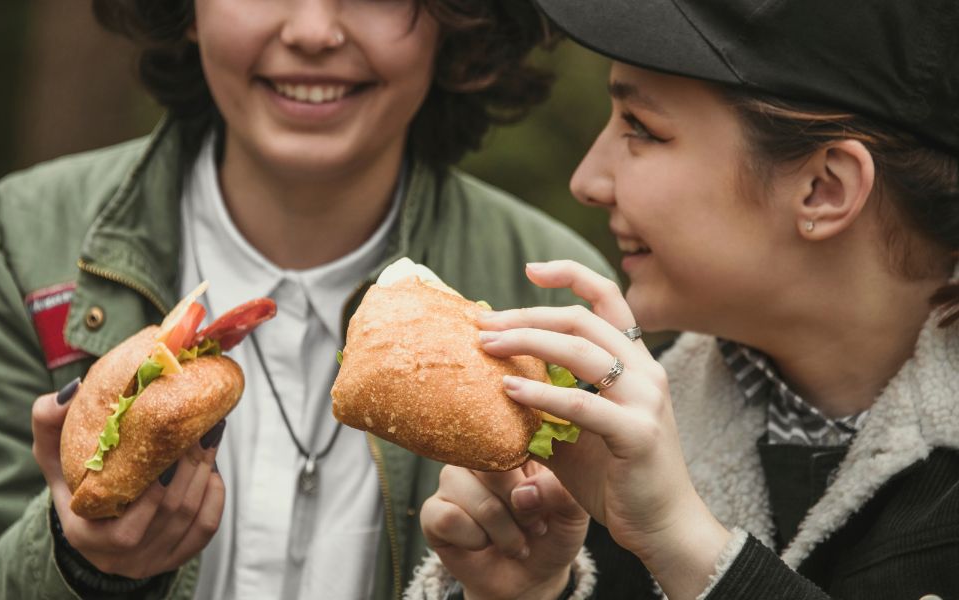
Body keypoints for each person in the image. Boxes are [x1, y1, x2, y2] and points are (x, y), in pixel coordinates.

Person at [0, 1, 616, 599]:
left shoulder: (555, 298)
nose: (311, 30)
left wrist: (533, 592)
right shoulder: (22, 242)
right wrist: (80, 568)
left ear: (459, 20)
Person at [410, 0, 959, 598]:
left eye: (642, 128)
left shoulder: (653, 491)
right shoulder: (611, 456)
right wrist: (535, 590)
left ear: (824, 188)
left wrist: (682, 539)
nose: (587, 181)